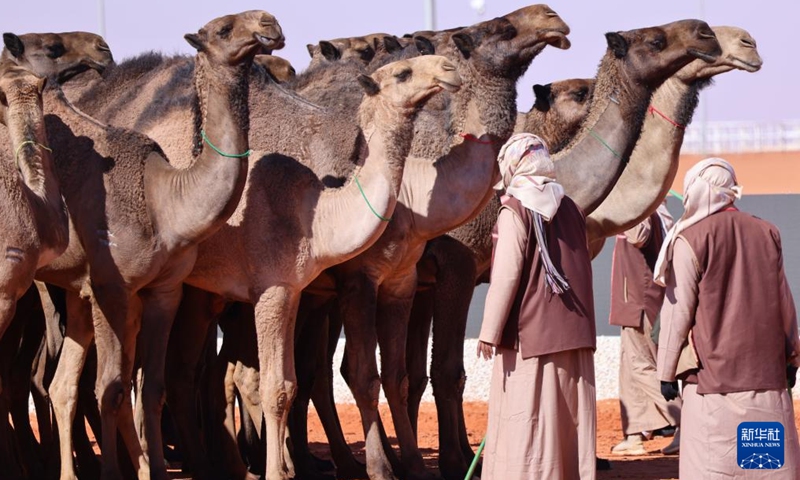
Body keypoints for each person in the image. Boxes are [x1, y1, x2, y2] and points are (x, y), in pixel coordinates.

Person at [655, 158, 800, 479]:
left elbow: (678, 312)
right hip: (766, 379)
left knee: (713, 466)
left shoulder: (689, 239)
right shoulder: (767, 232)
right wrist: (793, 356)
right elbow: (785, 304)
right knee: (763, 465)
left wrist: (665, 371)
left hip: (711, 384)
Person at [477, 133, 596, 480]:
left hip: (531, 341)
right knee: (565, 428)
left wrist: (489, 331)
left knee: (528, 429)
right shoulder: (572, 208)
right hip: (576, 337)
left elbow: (507, 275)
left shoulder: (515, 210)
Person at [609, 200, 682, 456]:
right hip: (635, 300)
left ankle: (685, 420)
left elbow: (639, 236)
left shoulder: (643, 209)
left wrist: (626, 204)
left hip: (639, 300)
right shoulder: (657, 212)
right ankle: (634, 435)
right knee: (629, 367)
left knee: (641, 366)